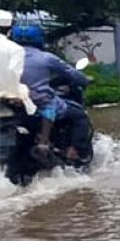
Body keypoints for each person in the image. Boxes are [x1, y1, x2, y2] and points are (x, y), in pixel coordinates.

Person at [11, 24, 91, 160]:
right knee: (80, 116)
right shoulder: (46, 58)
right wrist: (85, 80)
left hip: (12, 104)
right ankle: (74, 152)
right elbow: (72, 73)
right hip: (41, 104)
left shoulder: (6, 58)